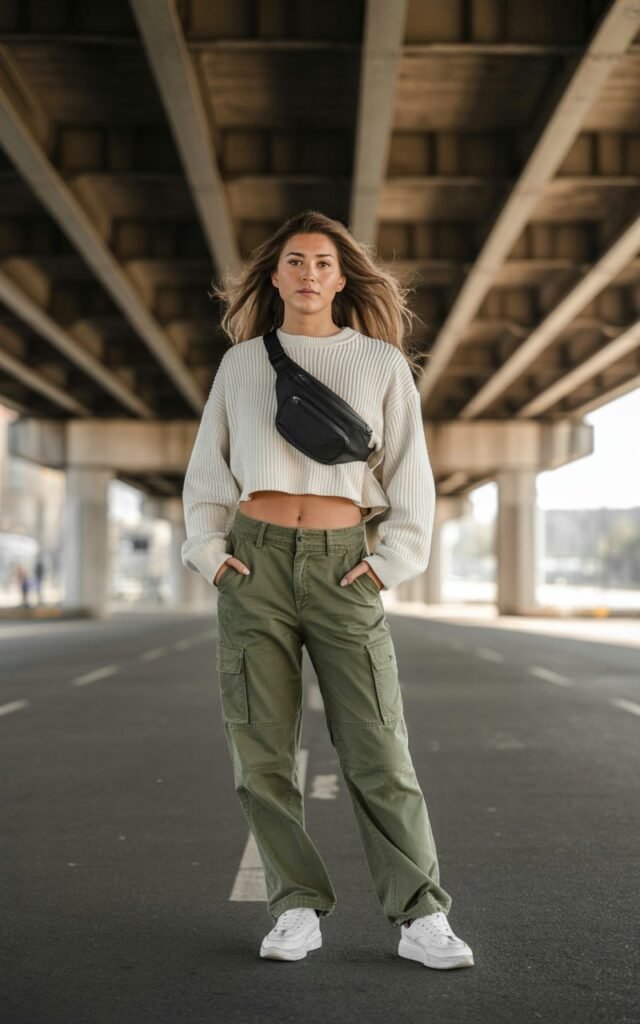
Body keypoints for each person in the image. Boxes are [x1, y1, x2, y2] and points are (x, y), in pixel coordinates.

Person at [181, 210, 474, 970]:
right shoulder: (242, 364)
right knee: (263, 753)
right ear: (274, 276)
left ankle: (420, 917)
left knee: (378, 746)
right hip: (256, 564)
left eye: (322, 263)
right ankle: (296, 908)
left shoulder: (380, 363)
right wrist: (211, 554)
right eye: (294, 262)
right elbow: (208, 473)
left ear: (341, 277)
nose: (308, 274)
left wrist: (391, 561)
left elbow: (411, 473)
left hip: (346, 564)